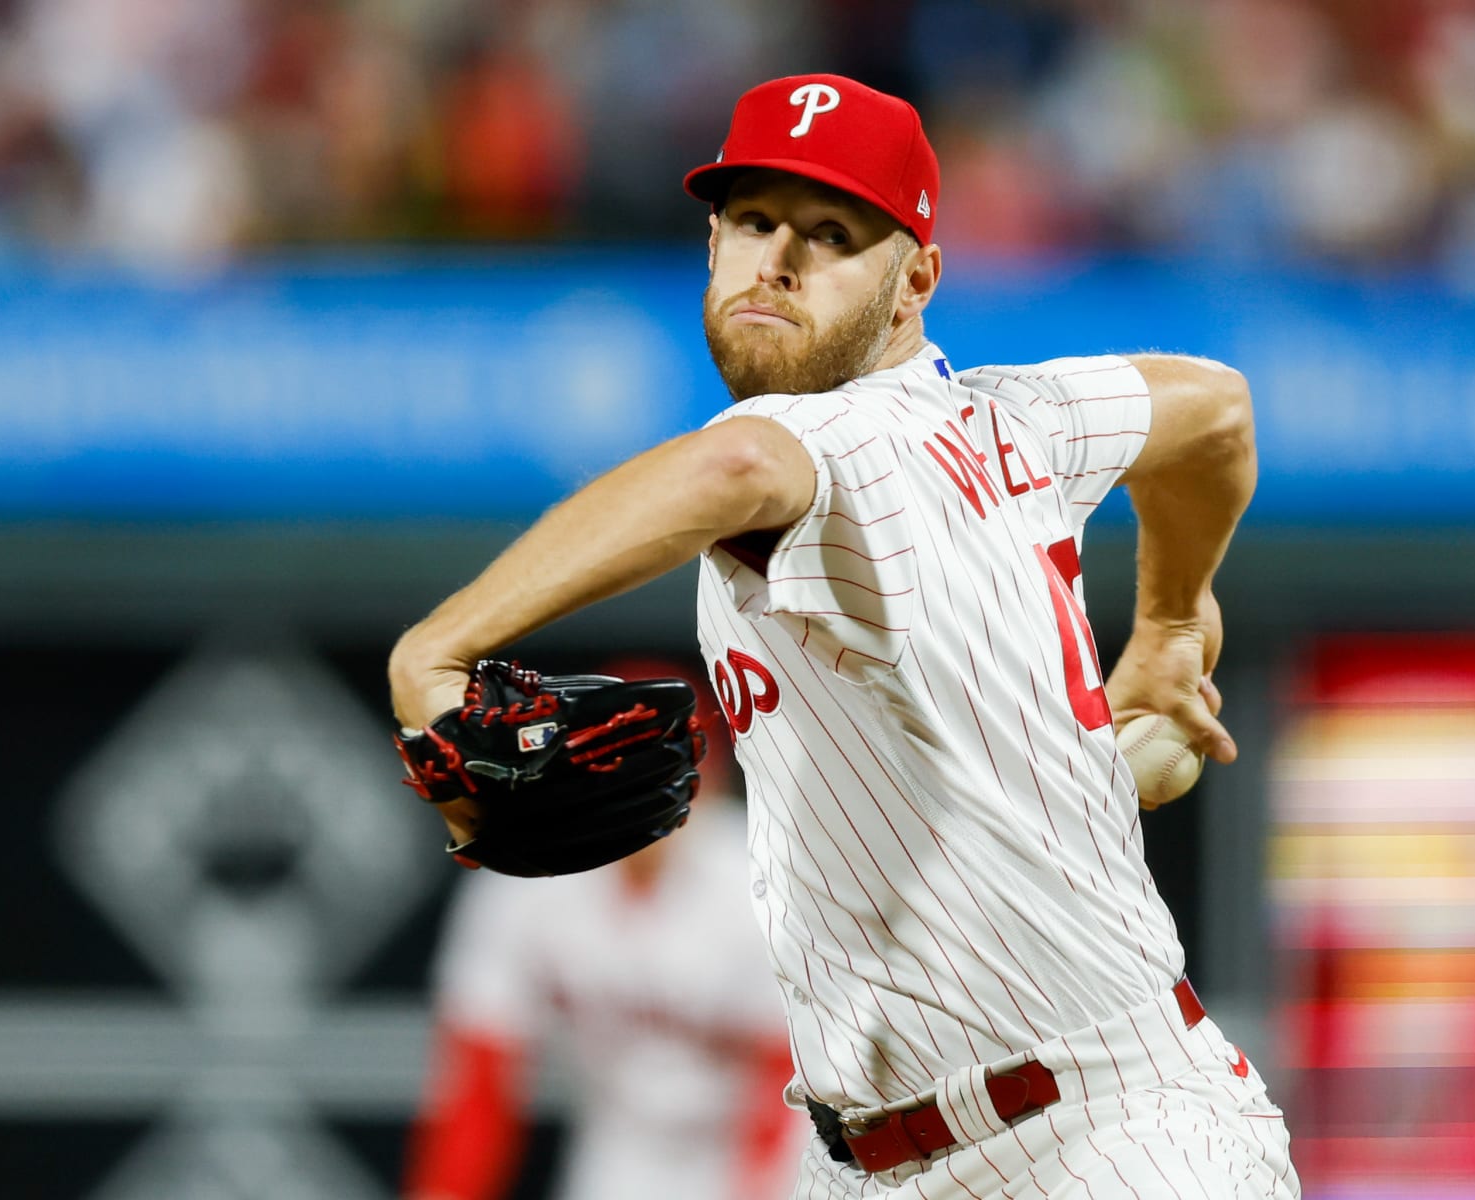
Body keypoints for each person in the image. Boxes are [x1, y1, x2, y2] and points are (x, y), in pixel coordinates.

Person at [390, 74, 1299, 1199]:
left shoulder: (830, 436)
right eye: (754, 221)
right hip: (879, 1156)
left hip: (1104, 1148)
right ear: (712, 243)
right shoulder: (1025, 416)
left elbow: (733, 464)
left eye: (831, 234)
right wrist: (1168, 618)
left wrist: (432, 651)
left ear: (916, 279)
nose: (779, 260)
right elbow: (1216, 410)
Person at [403, 659, 799, 1200]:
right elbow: (479, 1080)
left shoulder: (764, 883)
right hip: (619, 1147)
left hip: (772, 1150)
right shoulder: (524, 883)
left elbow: (791, 1083)